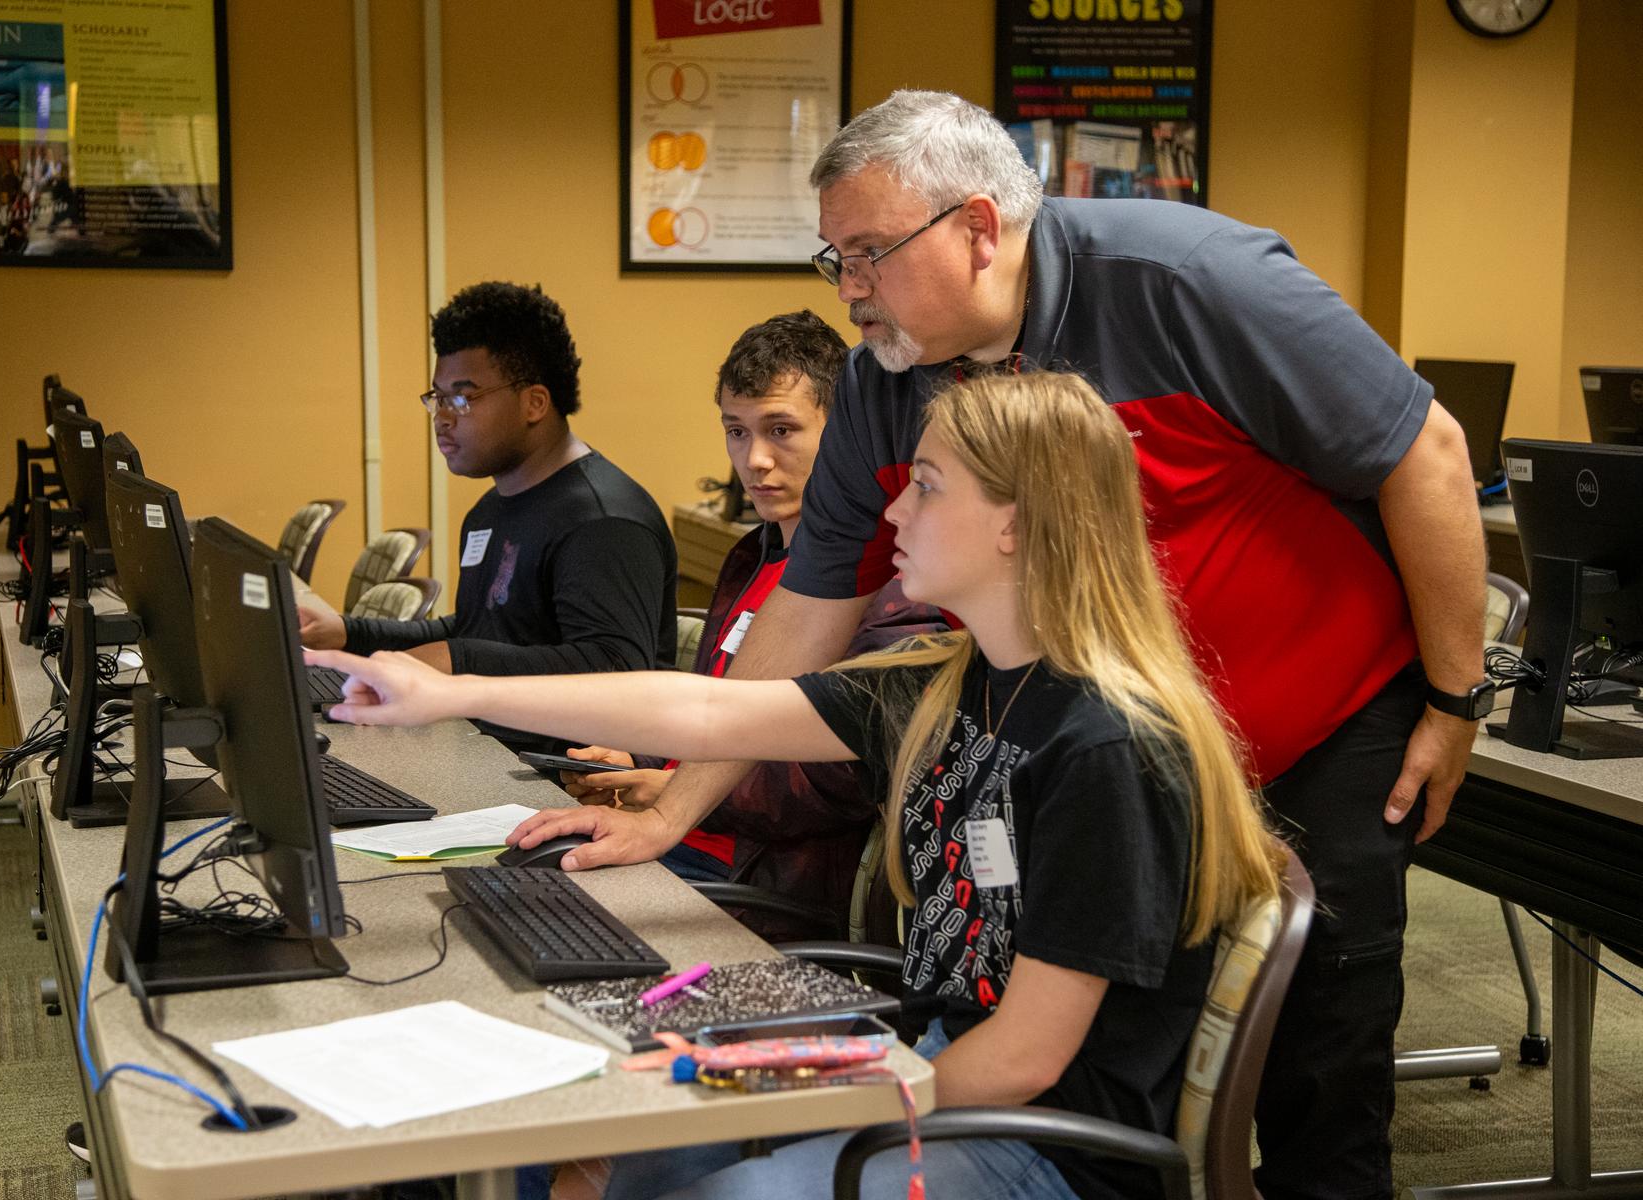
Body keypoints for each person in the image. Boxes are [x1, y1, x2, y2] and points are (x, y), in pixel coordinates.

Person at [507, 91, 1489, 1200]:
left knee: (1318, 1072)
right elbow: (808, 610)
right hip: (1100, 738)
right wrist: (672, 812)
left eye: (870, 255)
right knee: (1117, 1032)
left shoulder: (1189, 282)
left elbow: (1428, 454)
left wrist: (1456, 699)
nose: (848, 290)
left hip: (1319, 725)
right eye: (835, 259)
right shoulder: (888, 385)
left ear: (977, 228)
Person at [309, 372, 1286, 1200]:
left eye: (926, 488)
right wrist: (452, 691)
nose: (893, 513)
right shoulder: (951, 681)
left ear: (1015, 523)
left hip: (1042, 1146)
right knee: (605, 1129)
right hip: (929, 1060)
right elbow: (704, 712)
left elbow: (1024, 1059)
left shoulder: (1109, 748)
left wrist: (789, 1080)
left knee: (714, 1186)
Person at [560, 310, 943, 939]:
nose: (755, 459)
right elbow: (722, 706)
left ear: (843, 432)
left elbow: (845, 773)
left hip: (760, 885)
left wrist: (677, 790)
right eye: (736, 432)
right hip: (683, 844)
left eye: (781, 430)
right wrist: (637, 758)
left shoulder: (888, 581)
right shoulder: (753, 555)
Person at [298, 281, 678, 754]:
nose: (442, 418)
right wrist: (348, 632)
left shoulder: (603, 521)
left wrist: (457, 661)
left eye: (463, 398)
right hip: (483, 746)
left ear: (534, 403)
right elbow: (477, 629)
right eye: (437, 398)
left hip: (563, 775)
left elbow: (617, 669)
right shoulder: (489, 509)